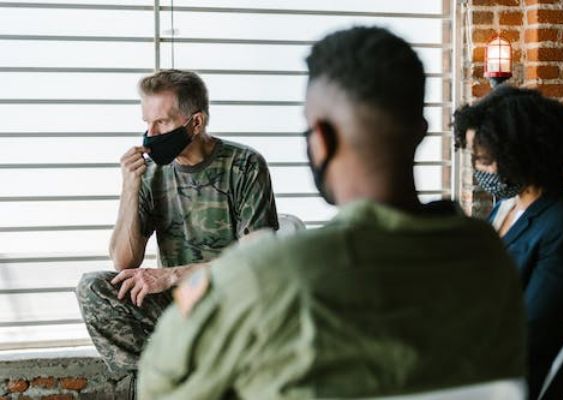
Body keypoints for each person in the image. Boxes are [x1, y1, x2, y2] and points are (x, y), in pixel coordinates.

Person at [137, 27, 526, 399]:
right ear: (421, 131)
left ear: (321, 140)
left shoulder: (268, 276)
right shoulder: (490, 258)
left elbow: (159, 385)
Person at [76, 70, 279, 378]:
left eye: (162, 122)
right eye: (147, 122)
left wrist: (171, 275)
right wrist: (130, 187)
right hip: (177, 307)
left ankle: (186, 377)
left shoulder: (244, 166)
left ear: (195, 123)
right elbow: (124, 262)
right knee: (93, 288)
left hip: (231, 304)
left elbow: (257, 264)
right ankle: (171, 378)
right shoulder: (152, 173)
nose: (151, 134)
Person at [453, 85, 563, 400]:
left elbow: (531, 333)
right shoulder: (506, 207)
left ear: (520, 153)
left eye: (485, 158)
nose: (478, 168)